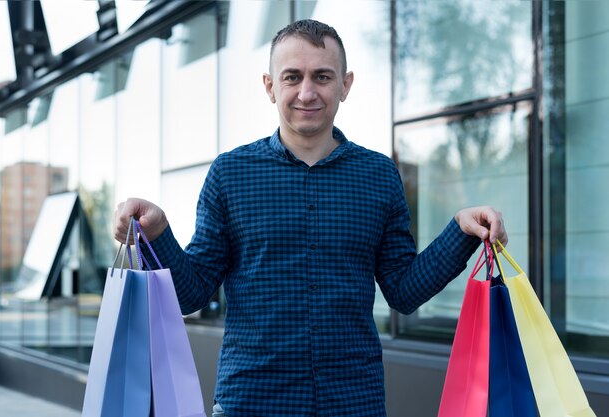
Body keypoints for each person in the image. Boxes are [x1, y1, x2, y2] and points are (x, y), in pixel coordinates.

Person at [114, 19, 507, 417]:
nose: (307, 92)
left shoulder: (379, 176)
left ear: (345, 84)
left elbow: (404, 291)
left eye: (322, 76)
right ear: (270, 86)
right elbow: (192, 292)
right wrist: (157, 233)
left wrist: (460, 230)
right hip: (251, 403)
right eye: (292, 77)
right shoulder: (230, 174)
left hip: (353, 403)